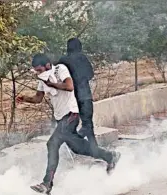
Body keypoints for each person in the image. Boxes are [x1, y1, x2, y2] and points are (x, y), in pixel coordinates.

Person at [17, 53, 121, 194]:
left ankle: (47, 184)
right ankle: (110, 156)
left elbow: (69, 86)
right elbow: (38, 98)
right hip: (61, 118)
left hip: (71, 114)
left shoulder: (60, 69)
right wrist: (25, 99)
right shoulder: (42, 79)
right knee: (78, 148)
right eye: (36, 71)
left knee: (52, 144)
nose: (38, 73)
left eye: (39, 70)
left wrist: (51, 83)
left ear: (47, 65)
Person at [57, 38, 97, 147]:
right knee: (88, 125)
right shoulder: (82, 58)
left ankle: (94, 149)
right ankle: (82, 143)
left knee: (71, 125)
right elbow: (90, 74)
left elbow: (59, 79)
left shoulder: (63, 60)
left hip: (70, 99)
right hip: (85, 97)